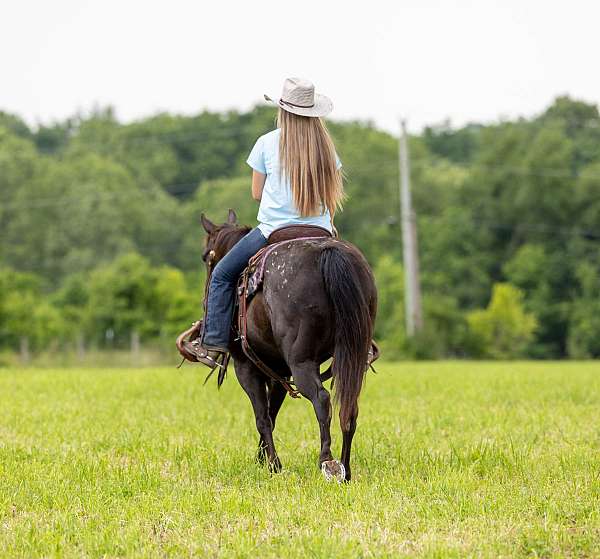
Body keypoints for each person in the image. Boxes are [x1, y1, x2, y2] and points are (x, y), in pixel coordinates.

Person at [189, 77, 344, 370]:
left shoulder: (267, 142)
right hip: (321, 231)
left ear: (283, 110)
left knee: (221, 274)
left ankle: (213, 342)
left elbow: (256, 193)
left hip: (274, 230)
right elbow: (331, 194)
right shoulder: (326, 148)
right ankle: (362, 344)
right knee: (347, 278)